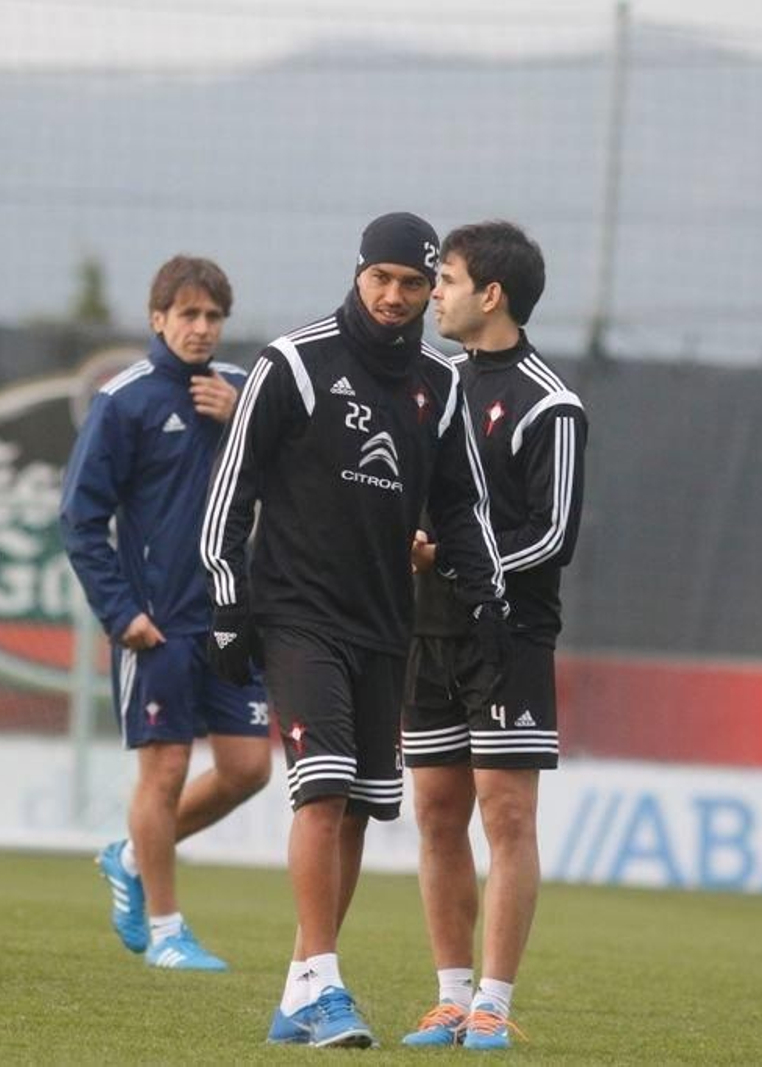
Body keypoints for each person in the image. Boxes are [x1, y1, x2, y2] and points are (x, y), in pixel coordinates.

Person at [201, 212, 509, 1048]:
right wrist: (228, 601)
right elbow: (231, 490)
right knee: (323, 785)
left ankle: (298, 988)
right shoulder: (294, 363)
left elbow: (460, 505)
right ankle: (324, 985)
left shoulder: (441, 386)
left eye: (413, 283)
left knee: (361, 812)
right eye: (382, 278)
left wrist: (485, 597)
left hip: (385, 626)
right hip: (296, 614)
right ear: (358, 272)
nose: (396, 296)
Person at [399, 221, 588, 1050]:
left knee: (504, 817)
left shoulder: (552, 402)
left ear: (492, 294)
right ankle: (449, 994)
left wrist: (456, 558)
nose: (432, 293)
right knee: (437, 812)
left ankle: (495, 1003)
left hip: (507, 636)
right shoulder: (429, 386)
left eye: (444, 278)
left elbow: (552, 536)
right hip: (427, 630)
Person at [59, 255, 271, 972]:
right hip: (158, 624)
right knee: (167, 769)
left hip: (232, 621)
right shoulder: (126, 401)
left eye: (213, 316)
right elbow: (80, 518)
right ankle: (168, 929)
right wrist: (120, 613)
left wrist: (245, 421)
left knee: (248, 770)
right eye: (188, 314)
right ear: (158, 319)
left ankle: (129, 854)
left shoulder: (246, 393)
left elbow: (299, 476)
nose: (202, 328)